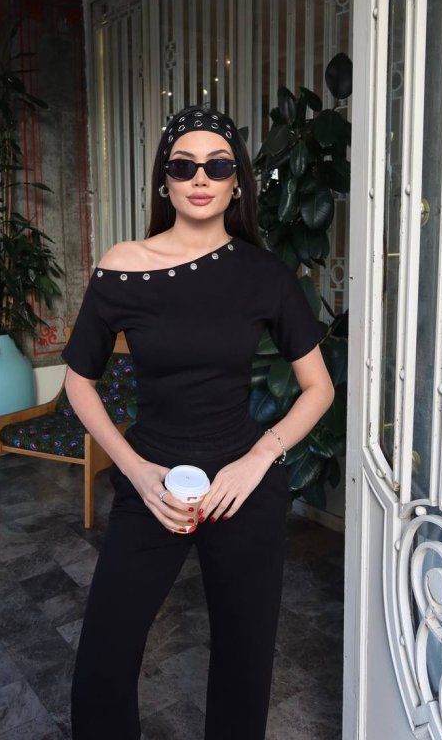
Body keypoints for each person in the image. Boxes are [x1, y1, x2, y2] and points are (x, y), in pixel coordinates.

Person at [61, 104, 335, 739]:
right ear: (165, 181)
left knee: (244, 666)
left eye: (218, 165)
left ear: (238, 182)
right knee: (102, 665)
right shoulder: (123, 263)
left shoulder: (263, 274)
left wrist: (258, 458)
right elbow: (78, 381)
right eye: (183, 166)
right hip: (152, 481)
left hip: (243, 485)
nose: (201, 178)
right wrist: (136, 472)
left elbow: (318, 388)